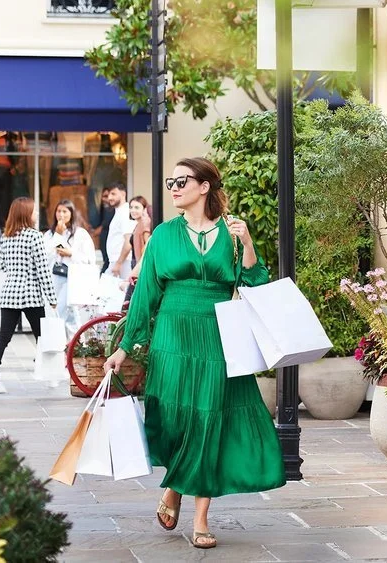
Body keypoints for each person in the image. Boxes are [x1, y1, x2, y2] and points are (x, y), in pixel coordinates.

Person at [104, 157, 284, 550]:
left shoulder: (233, 233)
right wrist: (124, 346)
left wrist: (249, 244)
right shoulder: (163, 236)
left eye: (182, 181)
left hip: (218, 336)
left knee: (207, 423)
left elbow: (256, 283)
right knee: (174, 420)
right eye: (171, 181)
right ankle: (174, 486)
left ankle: (200, 518)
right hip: (171, 337)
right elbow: (145, 296)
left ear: (205, 187)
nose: (173, 187)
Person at [0, 197, 57, 395]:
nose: (36, 214)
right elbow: (42, 270)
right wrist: (52, 298)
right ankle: (50, 375)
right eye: (34, 211)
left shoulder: (6, 237)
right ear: (26, 214)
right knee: (42, 337)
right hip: (32, 294)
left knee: (4, 337)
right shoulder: (35, 237)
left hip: (9, 293)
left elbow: (3, 265)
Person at [44, 199, 96, 327]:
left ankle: (73, 344)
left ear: (72, 213)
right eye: (58, 211)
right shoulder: (49, 234)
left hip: (73, 278)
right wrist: (58, 235)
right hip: (55, 277)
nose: (61, 215)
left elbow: (89, 259)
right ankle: (59, 342)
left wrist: (70, 253)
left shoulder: (80, 234)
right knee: (55, 310)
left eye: (64, 211)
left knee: (71, 312)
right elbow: (45, 255)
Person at [121, 196, 152, 301]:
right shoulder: (138, 224)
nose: (133, 210)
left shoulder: (145, 223)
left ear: (144, 209)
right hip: (136, 263)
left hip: (140, 265)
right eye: (131, 207)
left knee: (129, 302)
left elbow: (147, 246)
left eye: (137, 207)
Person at [106, 183, 134, 280]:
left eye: (113, 194)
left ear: (123, 194)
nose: (110, 197)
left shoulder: (125, 212)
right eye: (108, 194)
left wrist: (118, 263)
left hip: (123, 262)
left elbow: (128, 241)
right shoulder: (119, 212)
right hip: (117, 262)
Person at [96, 186, 116, 273]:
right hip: (104, 239)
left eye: (107, 196)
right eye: (103, 196)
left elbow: (104, 225)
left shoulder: (112, 210)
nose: (105, 199)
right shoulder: (103, 209)